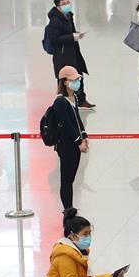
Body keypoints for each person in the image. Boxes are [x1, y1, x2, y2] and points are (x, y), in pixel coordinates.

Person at [47, 0, 94, 109]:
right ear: (57, 6)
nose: (67, 5)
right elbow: (54, 38)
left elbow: (68, 32)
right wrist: (72, 37)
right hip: (63, 55)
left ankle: (81, 100)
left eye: (68, 2)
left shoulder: (68, 16)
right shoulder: (55, 20)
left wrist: (76, 34)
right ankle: (65, 102)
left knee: (78, 75)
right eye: (63, 4)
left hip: (73, 52)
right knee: (65, 79)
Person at [51, 66, 89, 210]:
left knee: (71, 178)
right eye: (73, 79)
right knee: (66, 180)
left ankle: (70, 207)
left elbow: (77, 119)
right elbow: (66, 124)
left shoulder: (74, 98)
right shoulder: (60, 102)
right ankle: (68, 209)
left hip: (75, 143)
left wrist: (84, 135)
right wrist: (78, 141)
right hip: (66, 145)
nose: (77, 82)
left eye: (78, 79)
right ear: (65, 82)